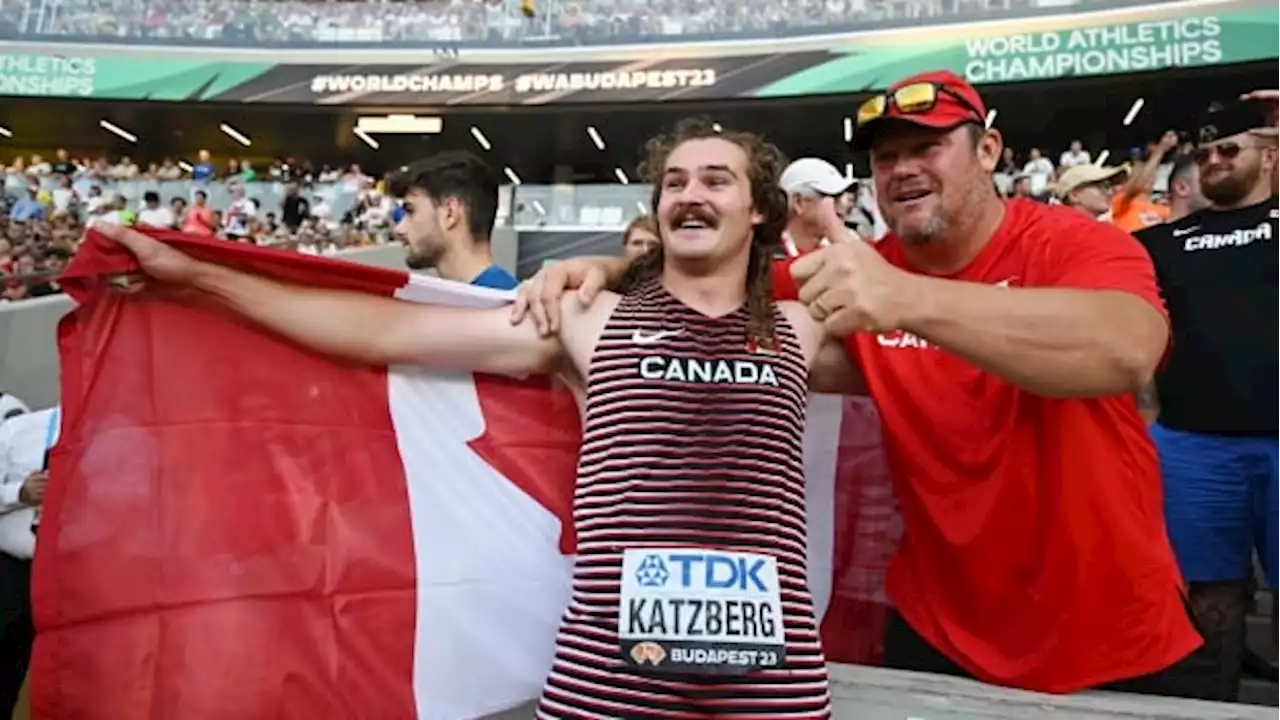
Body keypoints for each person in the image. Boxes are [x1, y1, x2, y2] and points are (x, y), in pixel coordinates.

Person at [105, 118, 866, 718]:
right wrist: (198, 277)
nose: (689, 194)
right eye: (673, 182)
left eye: (715, 179)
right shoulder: (585, 319)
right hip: (609, 683)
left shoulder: (803, 332)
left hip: (772, 686)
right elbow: (382, 333)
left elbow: (937, 345)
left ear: (759, 207)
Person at [510, 70, 1213, 699]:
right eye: (885, 157)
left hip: (1109, 633)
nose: (902, 169)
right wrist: (605, 269)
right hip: (937, 635)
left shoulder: (1068, 241)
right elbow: (709, 291)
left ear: (990, 153)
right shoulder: (852, 274)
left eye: (926, 147)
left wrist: (904, 300)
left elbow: (1127, 349)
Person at [1134, 98, 1280, 701]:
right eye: (1207, 152)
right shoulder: (1160, 244)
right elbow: (1136, 331)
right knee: (1205, 600)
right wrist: (1147, 417)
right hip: (1192, 446)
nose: (1214, 161)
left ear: (1270, 155)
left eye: (1230, 149)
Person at [386, 151, 518, 289]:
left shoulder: (507, 305)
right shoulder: (503, 300)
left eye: (411, 211)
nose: (399, 229)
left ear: (450, 213)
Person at [0, 406, 58, 717]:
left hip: (62, 582)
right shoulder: (18, 429)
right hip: (8, 571)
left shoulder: (111, 442)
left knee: (20, 672)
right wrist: (19, 493)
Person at [778, 158, 856, 255]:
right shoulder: (767, 257)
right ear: (799, 202)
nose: (843, 205)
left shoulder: (840, 251)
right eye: (832, 196)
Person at [1051, 163, 1128, 219]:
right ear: (1074, 195)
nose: (1110, 193)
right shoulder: (1060, 231)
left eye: (1109, 187)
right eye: (1101, 187)